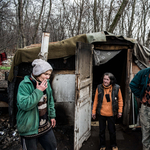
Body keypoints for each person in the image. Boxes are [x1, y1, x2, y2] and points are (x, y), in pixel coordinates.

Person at [16, 59, 57, 150]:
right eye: (45, 74)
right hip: (29, 128)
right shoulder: (25, 85)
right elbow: (24, 105)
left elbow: (50, 101)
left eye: (49, 74)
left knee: (52, 147)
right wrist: (39, 91)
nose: (48, 77)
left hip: (45, 125)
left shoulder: (46, 84)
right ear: (37, 73)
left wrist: (52, 116)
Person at [92, 72, 123, 150]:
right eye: (104, 79)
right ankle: (102, 145)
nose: (105, 81)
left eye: (107, 79)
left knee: (112, 131)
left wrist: (120, 111)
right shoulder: (99, 87)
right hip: (101, 113)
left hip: (111, 114)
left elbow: (120, 100)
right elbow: (95, 100)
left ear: (111, 81)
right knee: (101, 131)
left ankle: (113, 145)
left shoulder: (116, 88)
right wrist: (93, 111)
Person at [130, 67, 150, 150]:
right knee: (146, 131)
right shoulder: (143, 73)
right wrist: (140, 97)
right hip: (146, 108)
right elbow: (133, 85)